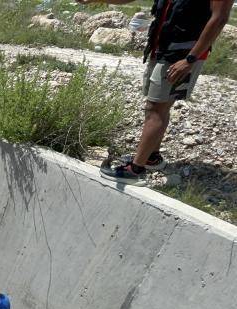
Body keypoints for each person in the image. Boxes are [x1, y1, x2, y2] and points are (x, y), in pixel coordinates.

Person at [78, 0, 233, 186]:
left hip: (183, 54)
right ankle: (151, 157)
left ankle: (135, 170)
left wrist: (190, 59)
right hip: (162, 47)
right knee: (157, 105)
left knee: (156, 108)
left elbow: (220, 18)